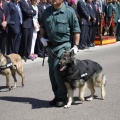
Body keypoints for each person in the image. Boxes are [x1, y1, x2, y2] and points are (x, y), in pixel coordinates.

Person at [40, 0, 80, 107]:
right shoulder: (47, 11)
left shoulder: (69, 11)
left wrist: (76, 46)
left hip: (64, 45)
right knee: (52, 73)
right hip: (51, 46)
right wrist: (42, 38)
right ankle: (57, 95)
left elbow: (76, 29)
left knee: (58, 69)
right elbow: (43, 26)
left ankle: (62, 97)